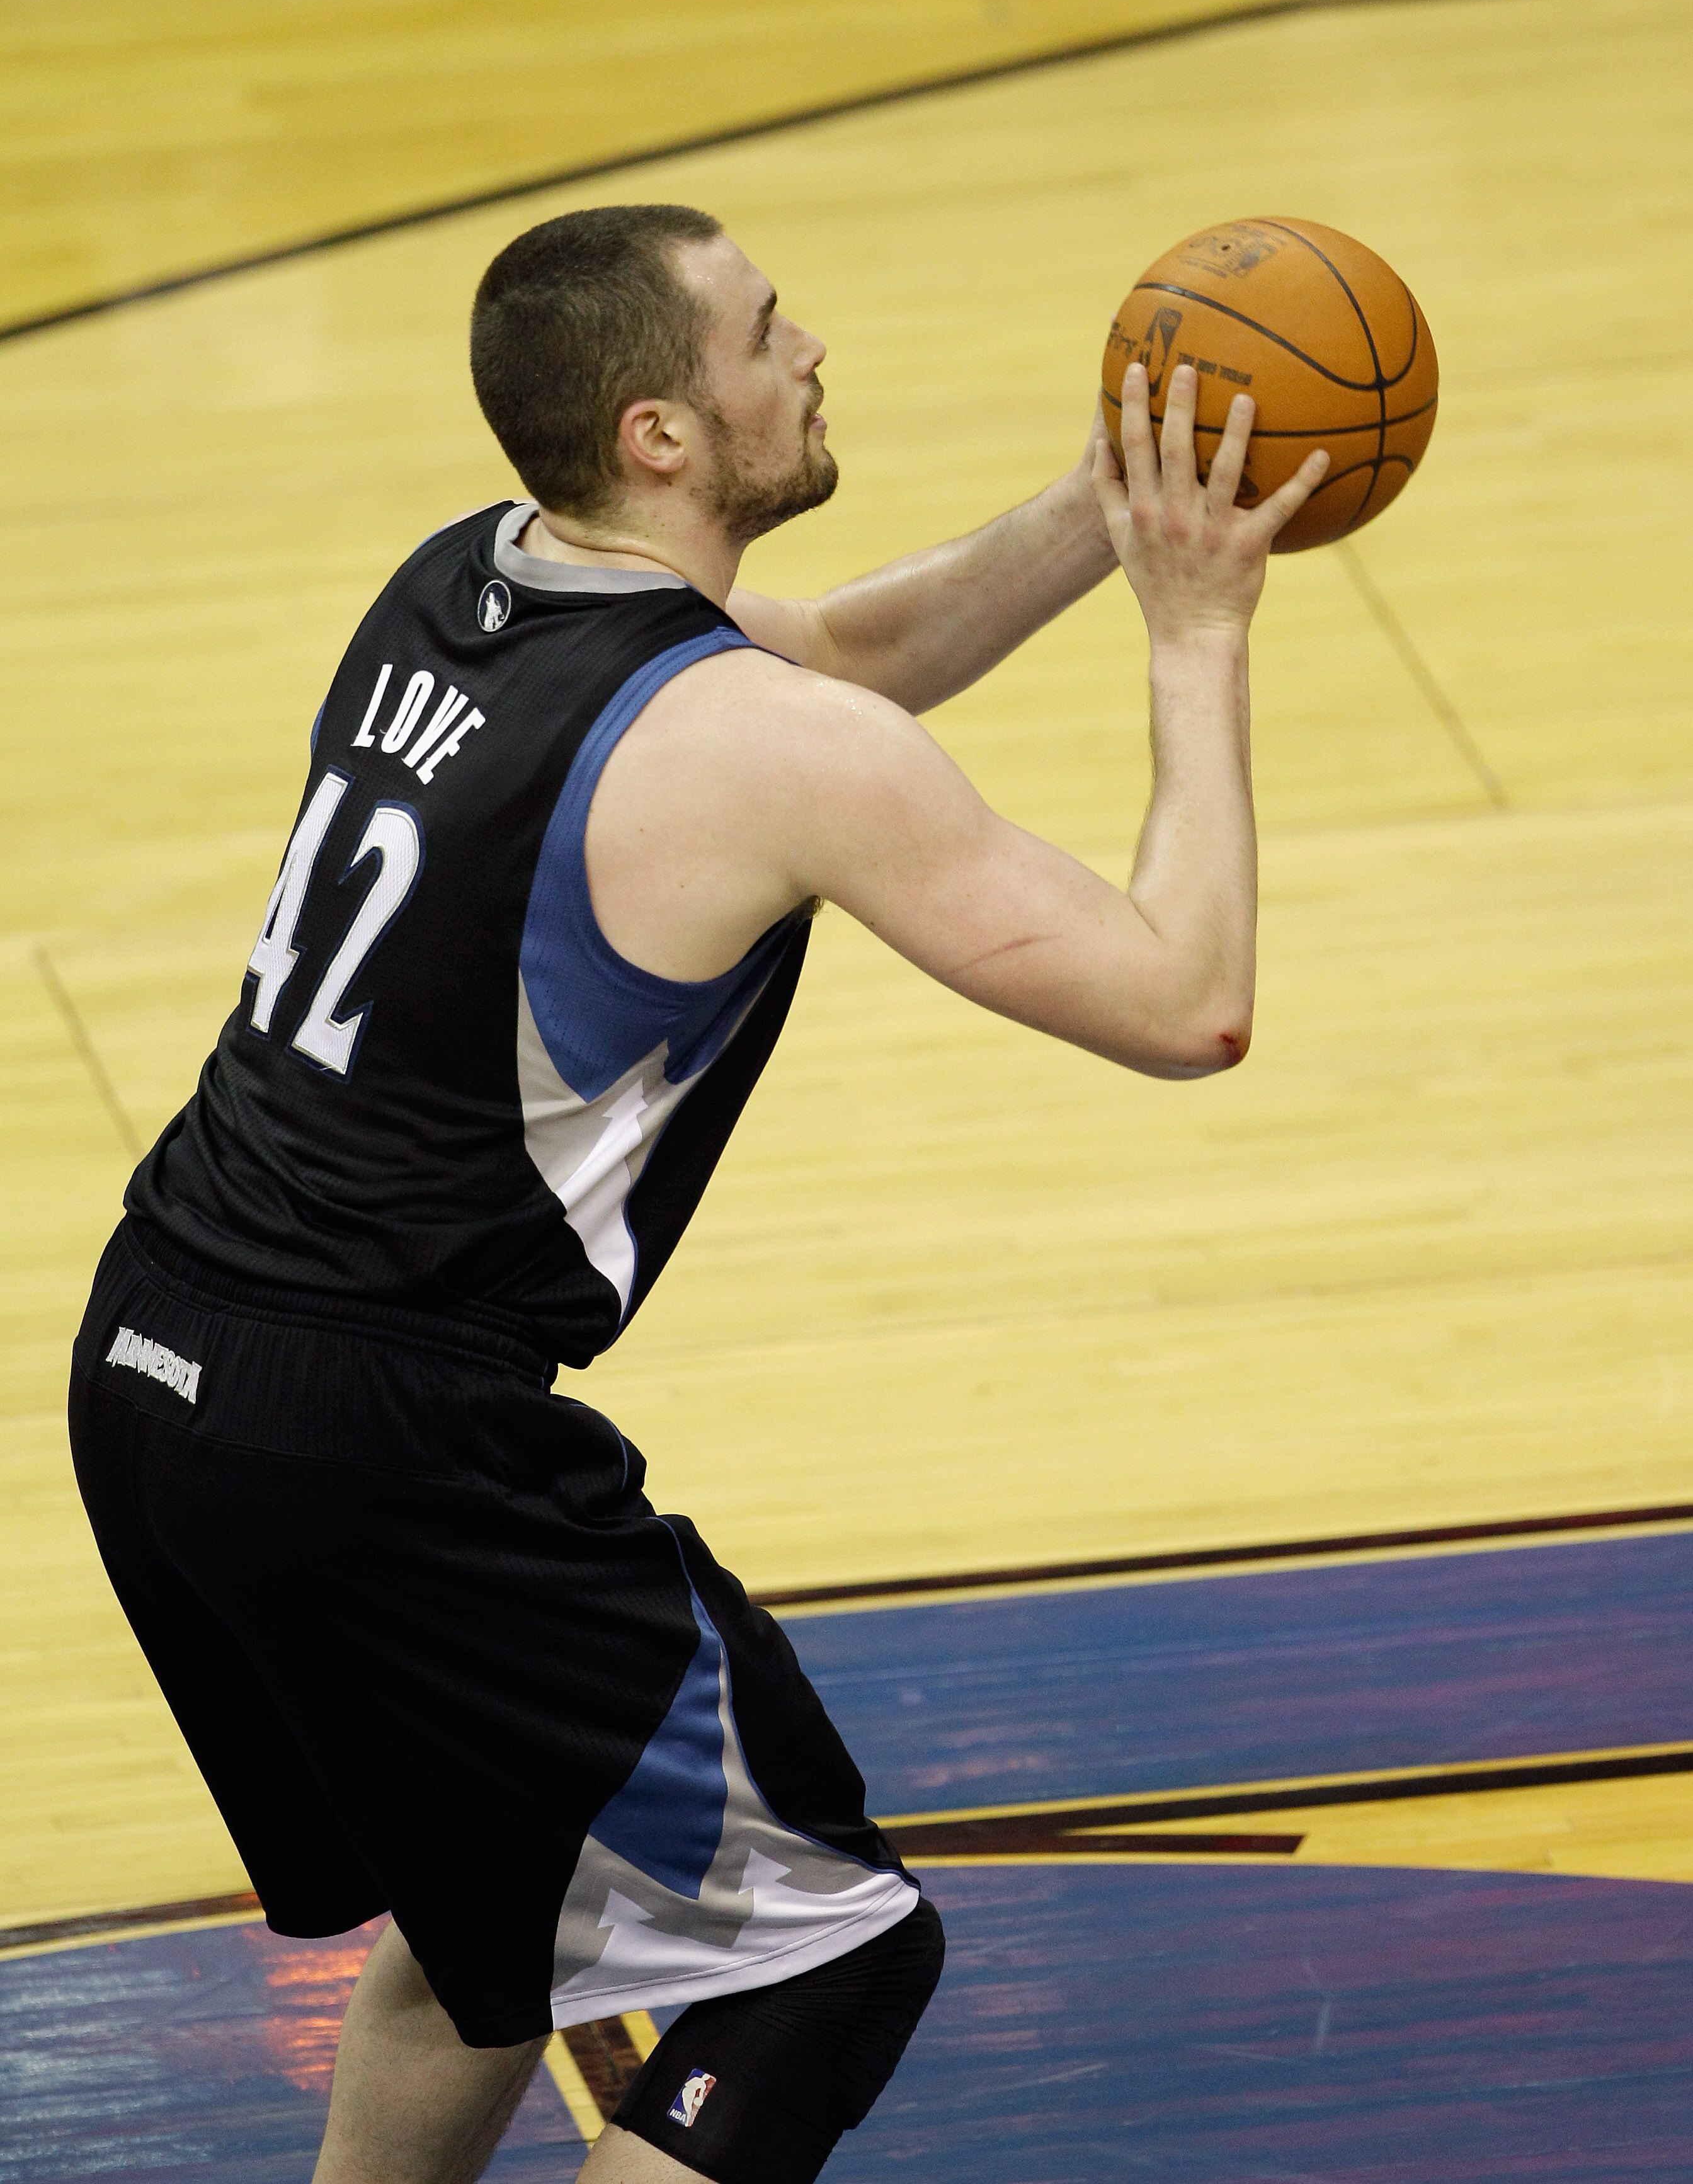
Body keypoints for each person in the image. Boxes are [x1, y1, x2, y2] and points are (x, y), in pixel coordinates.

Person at [67, 203, 1327, 2184]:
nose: (808, 344)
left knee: (495, 1937)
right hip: (376, 1443)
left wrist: (1110, 504)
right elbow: (1190, 1002)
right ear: (662, 433)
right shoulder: (758, 747)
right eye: (762, 331)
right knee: (823, 1969)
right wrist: (1201, 629)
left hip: (151, 1360)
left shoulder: (460, 584)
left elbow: (856, 656)